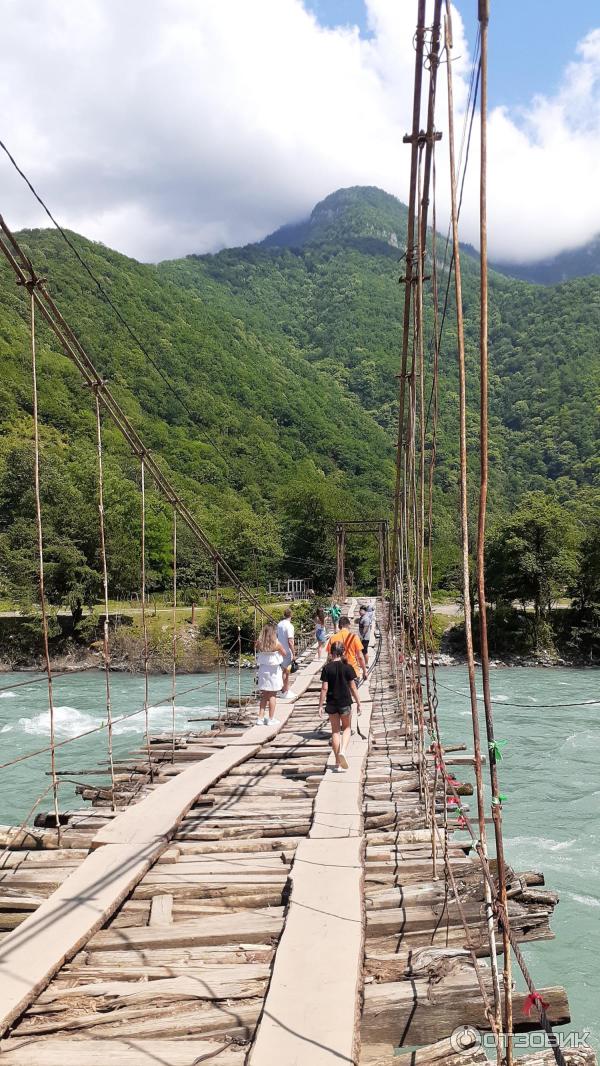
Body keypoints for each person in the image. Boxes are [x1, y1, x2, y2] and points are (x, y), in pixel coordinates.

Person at [318, 640, 361, 771]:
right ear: (343, 652)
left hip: (331, 703)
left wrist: (320, 705)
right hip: (345, 702)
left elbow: (324, 688)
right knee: (347, 728)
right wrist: (359, 702)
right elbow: (353, 687)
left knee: (335, 731)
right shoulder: (348, 667)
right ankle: (343, 750)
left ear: (331, 653)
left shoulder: (327, 668)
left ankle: (337, 763)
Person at [255, 624, 287, 726]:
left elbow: (255, 647)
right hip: (274, 671)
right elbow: (284, 653)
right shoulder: (277, 644)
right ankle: (271, 718)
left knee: (264, 695)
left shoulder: (260, 643)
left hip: (263, 670)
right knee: (273, 695)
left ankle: (260, 718)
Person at [326, 614, 367, 682]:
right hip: (353, 672)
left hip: (337, 673)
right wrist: (364, 671)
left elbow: (329, 657)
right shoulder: (354, 637)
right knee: (353, 691)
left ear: (339, 626)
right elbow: (360, 657)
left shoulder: (333, 638)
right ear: (348, 625)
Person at [276, 608, 295, 699]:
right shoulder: (290, 626)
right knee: (286, 672)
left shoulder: (279, 624)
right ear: (291, 615)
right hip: (287, 651)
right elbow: (290, 641)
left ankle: (284, 689)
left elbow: (277, 637)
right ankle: (284, 691)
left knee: (282, 671)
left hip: (279, 650)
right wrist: (294, 653)